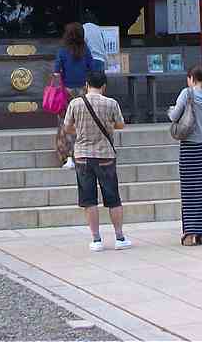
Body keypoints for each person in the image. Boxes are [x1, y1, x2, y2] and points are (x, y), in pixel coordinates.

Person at [61, 68, 131, 252]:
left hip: (83, 155)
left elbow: (67, 128)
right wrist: (109, 127)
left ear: (86, 85)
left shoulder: (75, 104)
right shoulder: (111, 103)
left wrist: (80, 132)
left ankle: (96, 239)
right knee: (113, 198)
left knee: (89, 199)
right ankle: (119, 237)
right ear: (104, 86)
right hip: (105, 155)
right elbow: (121, 124)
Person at [169, 65, 202, 245]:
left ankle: (190, 233)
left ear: (191, 78)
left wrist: (170, 110)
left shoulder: (187, 93)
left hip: (190, 148)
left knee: (191, 190)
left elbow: (174, 116)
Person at [52, 22, 97, 167]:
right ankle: (83, 154)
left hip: (66, 91)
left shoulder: (63, 51)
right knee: (82, 123)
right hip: (84, 91)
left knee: (64, 123)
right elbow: (92, 69)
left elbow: (56, 71)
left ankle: (66, 156)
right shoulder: (86, 50)